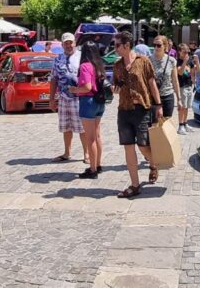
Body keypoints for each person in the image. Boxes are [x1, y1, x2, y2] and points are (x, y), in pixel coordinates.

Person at [112, 31, 163, 199]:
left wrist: (158, 105)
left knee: (142, 145)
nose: (115, 48)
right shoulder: (118, 65)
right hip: (124, 110)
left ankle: (153, 164)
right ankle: (134, 185)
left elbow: (151, 83)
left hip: (141, 109)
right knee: (128, 147)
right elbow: (116, 87)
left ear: (127, 45)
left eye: (117, 45)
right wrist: (115, 89)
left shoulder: (143, 61)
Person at [70, 42, 106, 179]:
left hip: (88, 101)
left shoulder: (85, 66)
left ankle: (92, 170)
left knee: (90, 138)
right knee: (97, 136)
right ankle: (98, 164)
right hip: (99, 102)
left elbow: (87, 87)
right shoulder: (99, 65)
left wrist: (74, 90)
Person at [49, 33, 85, 163]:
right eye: (66, 43)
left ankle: (86, 154)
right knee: (66, 127)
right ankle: (67, 153)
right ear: (62, 44)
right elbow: (53, 79)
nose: (69, 45)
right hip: (64, 97)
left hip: (79, 98)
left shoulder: (82, 57)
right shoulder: (58, 59)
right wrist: (52, 99)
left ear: (75, 43)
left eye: (71, 42)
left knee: (82, 127)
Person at [150, 35, 180, 122]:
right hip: (153, 97)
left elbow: (175, 80)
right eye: (154, 45)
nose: (156, 47)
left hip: (167, 96)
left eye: (159, 45)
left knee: (166, 124)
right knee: (153, 125)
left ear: (165, 46)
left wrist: (179, 99)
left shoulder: (171, 60)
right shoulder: (148, 60)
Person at [175, 43, 194, 135]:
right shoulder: (178, 61)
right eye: (184, 52)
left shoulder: (189, 61)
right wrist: (184, 62)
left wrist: (197, 62)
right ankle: (180, 126)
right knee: (182, 107)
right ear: (179, 52)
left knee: (187, 107)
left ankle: (185, 123)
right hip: (182, 87)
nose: (186, 53)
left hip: (189, 86)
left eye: (188, 52)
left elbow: (196, 71)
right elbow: (180, 73)